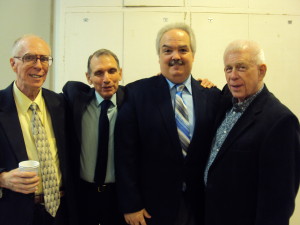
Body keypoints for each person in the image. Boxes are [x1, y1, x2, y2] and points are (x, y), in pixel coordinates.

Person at [114, 23, 221, 225]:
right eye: (167, 50)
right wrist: (131, 205)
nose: (175, 56)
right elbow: (124, 155)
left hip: (200, 207)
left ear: (193, 54)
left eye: (183, 49)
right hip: (151, 210)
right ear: (159, 56)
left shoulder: (213, 96)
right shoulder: (136, 94)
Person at [204, 40, 300, 225]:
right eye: (228, 68)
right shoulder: (227, 99)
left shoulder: (280, 121)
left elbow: (279, 202)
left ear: (261, 71)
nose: (232, 76)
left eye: (241, 67)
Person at [0, 35, 77, 225]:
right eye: (29, 58)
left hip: (61, 211)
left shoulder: (60, 103)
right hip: (15, 213)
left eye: (44, 59)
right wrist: (2, 178)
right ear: (13, 63)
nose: (39, 65)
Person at [62, 49, 127, 225]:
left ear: (120, 73)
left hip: (118, 196)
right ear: (88, 77)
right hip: (83, 194)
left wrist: (199, 84)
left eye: (112, 71)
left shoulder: (131, 100)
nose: (106, 79)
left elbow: (159, 88)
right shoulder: (76, 99)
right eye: (98, 73)